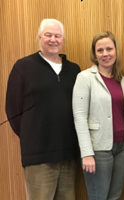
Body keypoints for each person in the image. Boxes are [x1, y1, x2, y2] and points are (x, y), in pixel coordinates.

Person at [5, 19, 80, 200]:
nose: (53, 39)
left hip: (68, 155)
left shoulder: (74, 70)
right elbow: (13, 111)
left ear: (63, 39)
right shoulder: (23, 67)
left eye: (57, 36)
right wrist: (33, 135)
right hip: (38, 157)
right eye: (48, 35)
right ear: (39, 38)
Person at [72, 31, 124, 200]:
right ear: (94, 54)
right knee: (98, 197)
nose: (105, 54)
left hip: (123, 148)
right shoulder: (85, 78)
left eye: (109, 49)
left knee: (114, 197)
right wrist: (86, 153)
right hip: (98, 149)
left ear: (116, 51)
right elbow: (79, 117)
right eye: (100, 50)